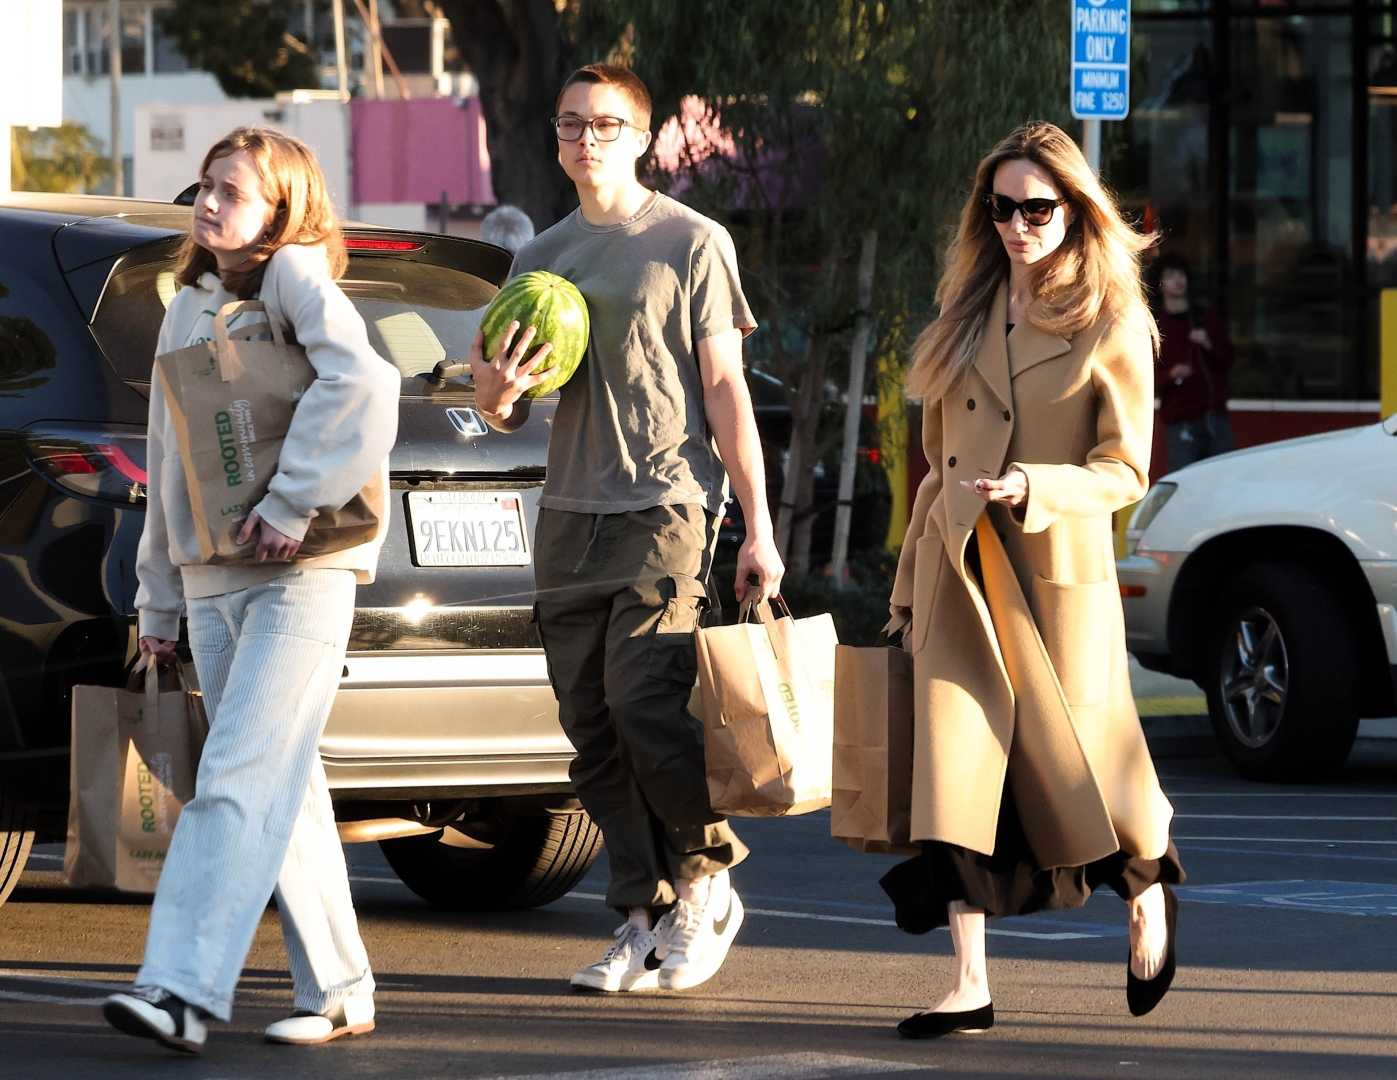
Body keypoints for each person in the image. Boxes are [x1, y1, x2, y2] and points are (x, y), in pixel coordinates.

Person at [468, 63, 783, 994]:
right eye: (571, 124)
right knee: (591, 726)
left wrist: (758, 527)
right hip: (567, 513)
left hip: (666, 504)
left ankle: (705, 880)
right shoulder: (540, 259)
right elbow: (505, 412)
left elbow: (726, 390)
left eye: (606, 125)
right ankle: (638, 919)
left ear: (642, 139)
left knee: (647, 704)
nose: (586, 139)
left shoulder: (691, 242)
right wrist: (492, 396)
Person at [882, 121, 1184, 1039]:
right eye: (1002, 208)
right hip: (960, 574)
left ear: (1074, 211)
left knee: (1090, 772)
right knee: (954, 775)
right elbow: (933, 471)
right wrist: (904, 588)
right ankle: (968, 981)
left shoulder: (1112, 323)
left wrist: (1031, 487)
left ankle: (1147, 891)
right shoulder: (961, 317)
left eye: (1037, 208)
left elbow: (1124, 469)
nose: (1018, 225)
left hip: (1052, 571)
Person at [103, 127, 400, 1054]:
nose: (209, 202)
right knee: (285, 786)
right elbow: (165, 455)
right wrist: (155, 602)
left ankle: (180, 990)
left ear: (282, 210)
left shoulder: (295, 280)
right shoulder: (185, 304)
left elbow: (366, 380)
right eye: (205, 185)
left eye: (233, 191)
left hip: (299, 579)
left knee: (234, 781)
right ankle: (343, 987)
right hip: (206, 581)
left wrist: (291, 499)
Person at [1152, 253, 1235, 469]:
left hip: (1214, 417)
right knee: (1184, 483)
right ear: (1160, 284)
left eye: (1181, 275)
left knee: (1223, 479)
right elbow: (1143, 376)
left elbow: (1228, 360)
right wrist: (1170, 375)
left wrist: (1208, 343)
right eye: (1170, 276)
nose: (1178, 280)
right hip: (1180, 421)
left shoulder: (1205, 317)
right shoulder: (1155, 325)